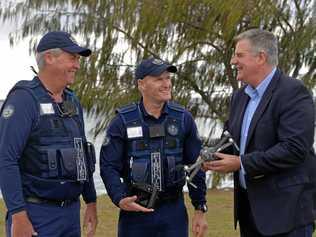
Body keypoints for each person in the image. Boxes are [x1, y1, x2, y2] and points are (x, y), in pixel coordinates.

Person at [203, 28, 316, 236]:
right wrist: (208, 157)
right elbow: (231, 142)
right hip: (249, 212)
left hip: (287, 214)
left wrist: (241, 163)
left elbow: (294, 149)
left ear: (261, 57)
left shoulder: (293, 92)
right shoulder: (239, 97)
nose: (232, 61)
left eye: (239, 55)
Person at [0, 31, 98, 237]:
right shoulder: (24, 100)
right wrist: (18, 215)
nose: (77, 65)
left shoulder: (73, 102)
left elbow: (82, 155)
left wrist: (91, 201)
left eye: (78, 59)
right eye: (72, 58)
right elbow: (6, 159)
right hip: (37, 216)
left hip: (70, 215)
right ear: (49, 58)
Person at [100, 57, 208, 237]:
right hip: (135, 215)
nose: (166, 84)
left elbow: (196, 165)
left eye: (168, 78)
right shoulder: (122, 122)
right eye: (159, 79)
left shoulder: (183, 119)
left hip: (173, 213)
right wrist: (119, 198)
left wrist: (200, 207)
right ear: (141, 84)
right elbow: (108, 165)